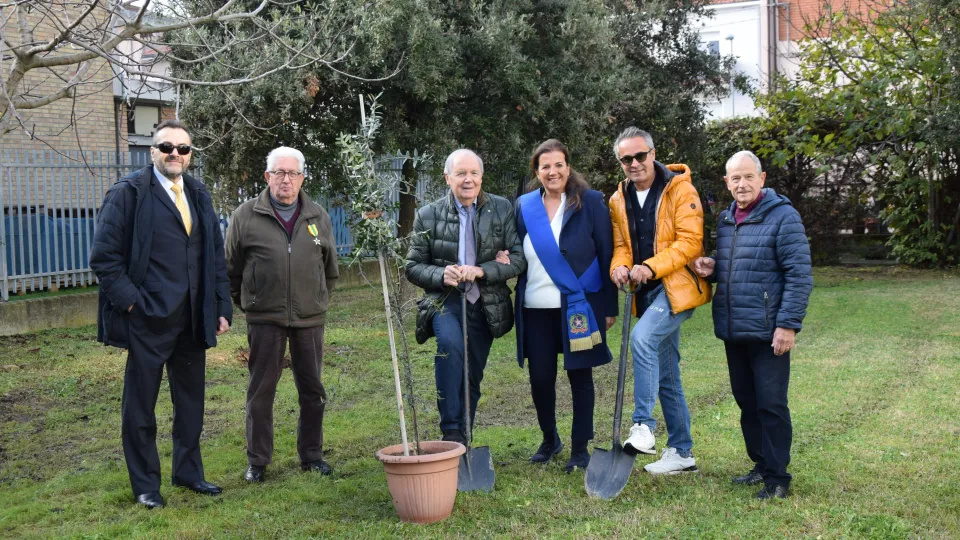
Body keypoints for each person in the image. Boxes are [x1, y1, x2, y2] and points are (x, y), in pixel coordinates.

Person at [90, 119, 232, 509]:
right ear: (152, 151)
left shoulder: (198, 194)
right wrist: (133, 305)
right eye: (167, 147)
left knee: (191, 406)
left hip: (192, 319)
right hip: (147, 320)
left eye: (183, 149)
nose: (175, 154)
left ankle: (188, 473)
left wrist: (221, 306)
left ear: (190, 155)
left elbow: (214, 257)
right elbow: (104, 259)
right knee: (140, 409)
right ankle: (145, 486)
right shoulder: (128, 194)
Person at [693, 150, 812, 499]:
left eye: (748, 177)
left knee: (771, 404)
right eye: (735, 178)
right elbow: (740, 262)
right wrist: (713, 266)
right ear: (727, 183)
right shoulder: (727, 219)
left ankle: (778, 478)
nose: (742, 184)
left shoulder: (784, 217)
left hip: (768, 330)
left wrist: (787, 325)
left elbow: (799, 274)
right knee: (747, 400)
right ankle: (761, 464)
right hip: (735, 329)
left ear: (762, 179)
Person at [224, 147, 340, 484]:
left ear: (302, 178)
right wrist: (251, 303)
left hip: (309, 318)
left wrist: (316, 300)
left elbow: (330, 269)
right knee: (261, 391)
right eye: (279, 173)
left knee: (313, 390)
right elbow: (231, 269)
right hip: (265, 319)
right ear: (267, 176)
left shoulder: (318, 216)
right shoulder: (245, 216)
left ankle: (312, 455)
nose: (286, 179)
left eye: (292, 173)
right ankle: (258, 461)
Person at [608, 127, 711, 474]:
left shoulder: (681, 189)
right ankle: (682, 452)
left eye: (640, 155)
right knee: (666, 374)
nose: (634, 163)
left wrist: (650, 267)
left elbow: (690, 242)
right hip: (647, 291)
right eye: (626, 159)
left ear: (653, 154)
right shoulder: (618, 198)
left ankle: (643, 426)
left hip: (677, 287)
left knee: (641, 338)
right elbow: (621, 245)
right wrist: (619, 266)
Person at [406, 149, 526, 445]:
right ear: (448, 178)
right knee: (450, 347)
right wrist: (441, 274)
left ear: (481, 177)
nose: (468, 179)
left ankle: (464, 435)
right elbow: (413, 266)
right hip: (445, 300)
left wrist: (483, 270)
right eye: (461, 173)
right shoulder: (428, 214)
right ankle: (451, 430)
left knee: (473, 371)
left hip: (484, 302)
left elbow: (519, 258)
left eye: (474, 173)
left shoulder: (501, 208)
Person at [515, 139, 618, 473]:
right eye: (545, 166)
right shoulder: (524, 207)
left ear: (568, 167)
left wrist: (609, 307)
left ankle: (580, 449)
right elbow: (516, 249)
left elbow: (606, 253)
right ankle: (550, 440)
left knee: (580, 376)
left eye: (558, 164)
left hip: (579, 307)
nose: (553, 171)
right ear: (537, 171)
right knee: (541, 379)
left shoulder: (590, 202)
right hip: (536, 309)